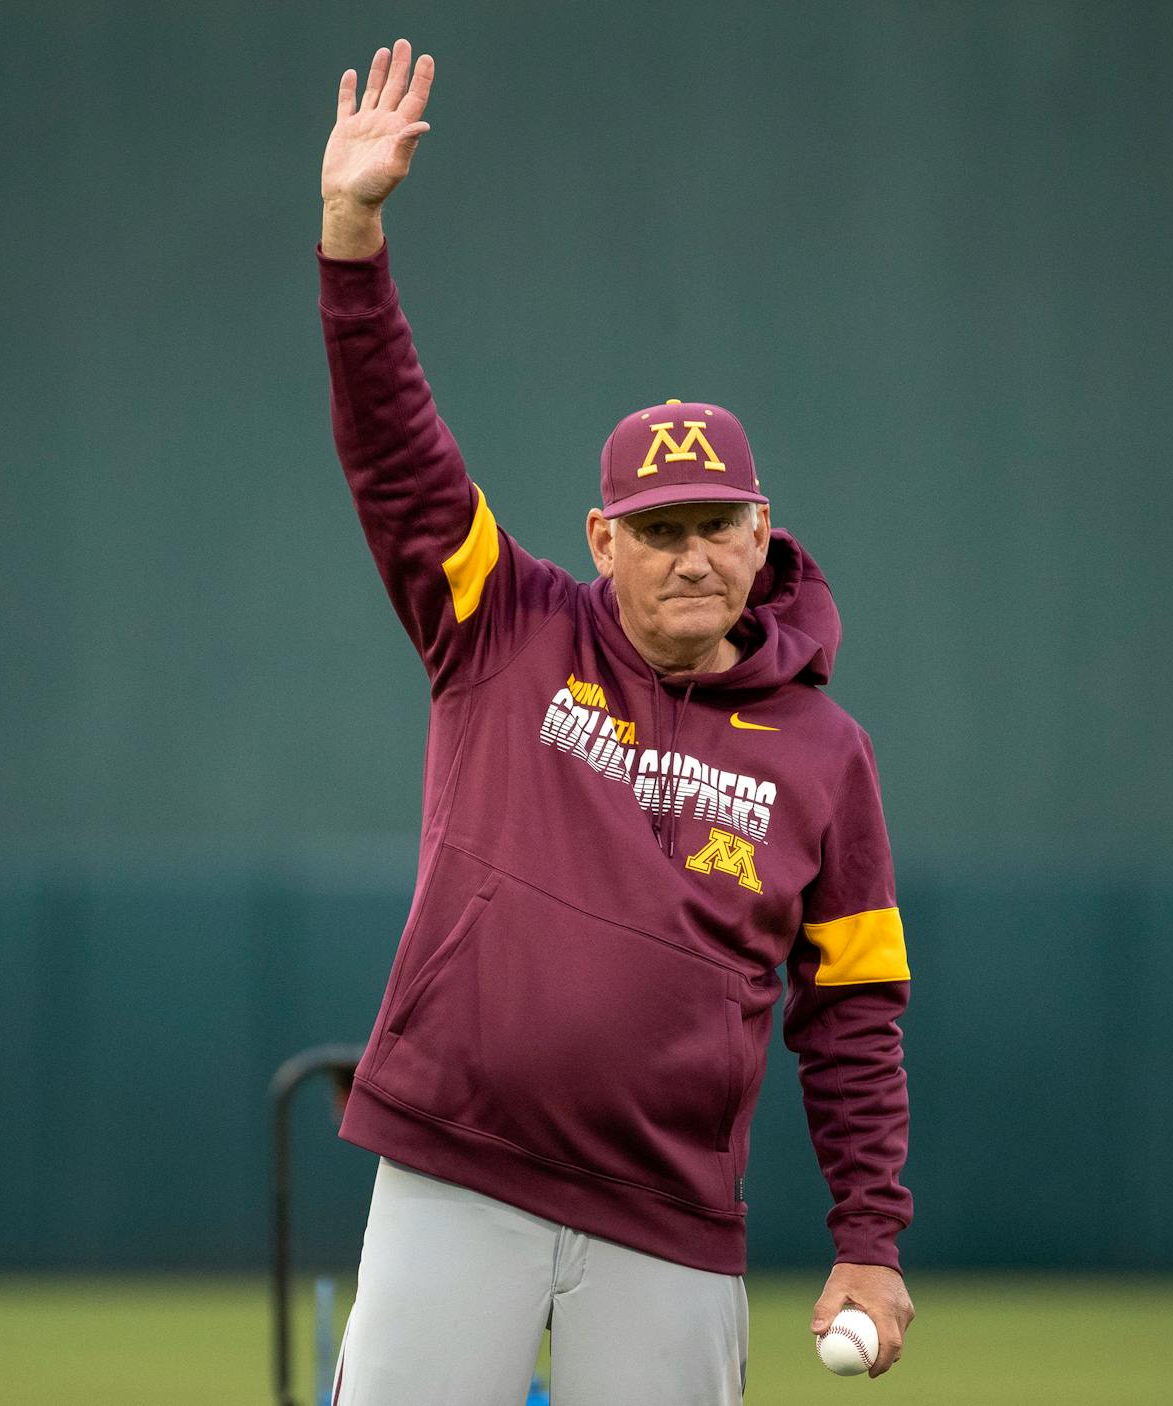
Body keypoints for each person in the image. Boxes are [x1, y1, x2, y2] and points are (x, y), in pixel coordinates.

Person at [315, 39, 915, 1406]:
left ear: (764, 538)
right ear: (602, 539)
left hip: (669, 1219)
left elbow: (855, 1011)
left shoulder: (828, 759)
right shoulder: (505, 625)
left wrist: (871, 1241)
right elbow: (397, 453)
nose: (692, 556)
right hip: (457, 1167)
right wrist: (354, 239)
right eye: (658, 533)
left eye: (719, 528)